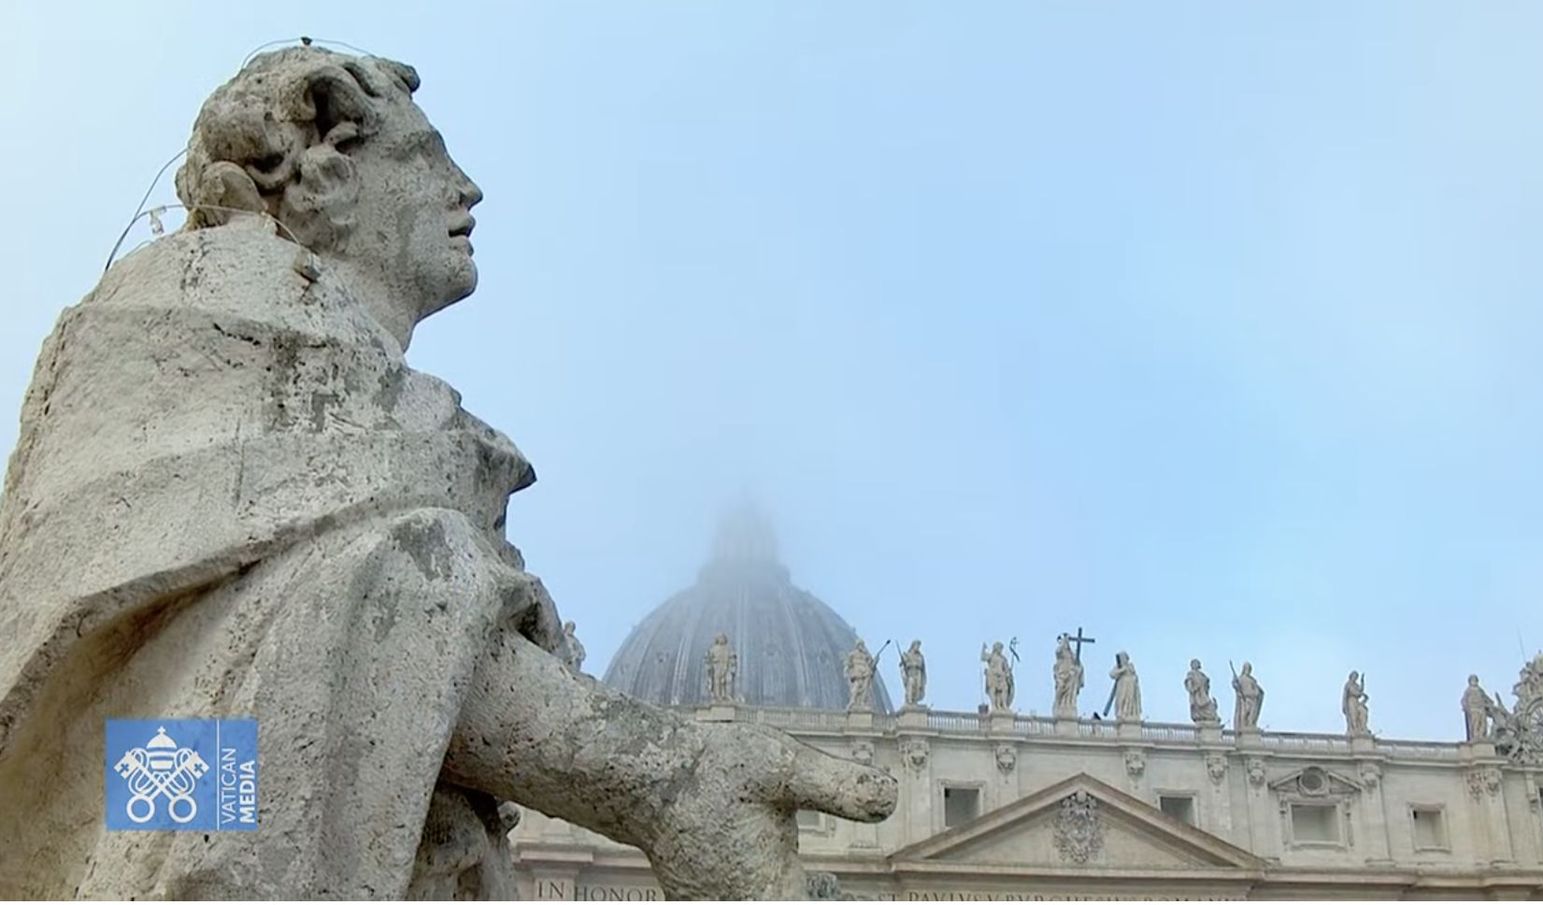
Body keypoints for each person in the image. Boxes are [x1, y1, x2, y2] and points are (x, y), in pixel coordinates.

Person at [0, 47, 891, 900]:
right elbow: (318, 634)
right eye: (427, 157)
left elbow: (367, 674)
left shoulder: (356, 396)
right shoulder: (192, 322)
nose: (466, 189)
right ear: (329, 167)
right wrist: (660, 775)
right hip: (143, 784)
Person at [1053, 636, 1084, 718]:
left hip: (1070, 674)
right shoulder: (1060, 652)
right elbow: (1058, 651)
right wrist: (1064, 643)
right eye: (1065, 642)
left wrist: (1078, 668)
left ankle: (1069, 705)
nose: (1066, 644)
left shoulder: (1071, 654)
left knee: (1071, 690)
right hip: (1062, 673)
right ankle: (1057, 703)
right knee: (1060, 687)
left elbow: (1078, 663)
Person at [1110, 652, 1142, 721]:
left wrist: (1135, 679)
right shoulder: (1118, 666)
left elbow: (1135, 675)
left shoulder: (1131, 666)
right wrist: (1122, 670)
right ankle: (1121, 713)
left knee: (1130, 699)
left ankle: (1128, 714)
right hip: (1122, 684)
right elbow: (1112, 674)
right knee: (1121, 699)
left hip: (1131, 684)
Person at [1185, 659, 1219, 723]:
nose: (1196, 665)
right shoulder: (1190, 673)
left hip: (1203, 694)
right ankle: (1205, 718)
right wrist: (1194, 688)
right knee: (1202, 706)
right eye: (1195, 663)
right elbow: (1189, 685)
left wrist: (1206, 682)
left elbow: (1207, 684)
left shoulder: (1202, 674)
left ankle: (1211, 717)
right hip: (1197, 695)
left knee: (1209, 705)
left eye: (1197, 663)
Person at [1233, 662, 1264, 731]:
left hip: (1253, 698)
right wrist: (1234, 682)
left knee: (1252, 713)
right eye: (1246, 668)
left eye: (1249, 669)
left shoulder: (1252, 680)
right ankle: (1244, 726)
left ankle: (1250, 725)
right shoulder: (1240, 679)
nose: (1248, 670)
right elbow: (1236, 686)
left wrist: (1257, 693)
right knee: (1245, 713)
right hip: (1245, 699)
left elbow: (1258, 690)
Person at [1461, 674, 1492, 741]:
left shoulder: (1480, 690)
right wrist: (1465, 707)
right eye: (1472, 680)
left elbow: (1485, 697)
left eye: (1475, 680)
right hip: (1473, 709)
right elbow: (1464, 700)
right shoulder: (1468, 690)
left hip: (1481, 708)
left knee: (1483, 723)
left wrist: (1490, 702)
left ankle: (1482, 736)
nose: (1474, 681)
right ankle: (1475, 737)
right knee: (1475, 723)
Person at [900, 640, 926, 707]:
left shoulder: (920, 656)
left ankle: (914, 702)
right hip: (911, 673)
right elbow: (902, 666)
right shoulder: (907, 655)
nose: (918, 647)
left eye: (919, 646)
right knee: (911, 685)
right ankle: (910, 701)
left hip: (918, 674)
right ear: (913, 646)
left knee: (917, 688)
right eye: (917, 646)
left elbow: (923, 668)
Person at [1343, 671, 1370, 735]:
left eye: (1356, 677)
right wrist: (1361, 694)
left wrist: (1362, 682)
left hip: (1356, 701)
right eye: (1354, 676)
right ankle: (1354, 730)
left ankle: (1362, 728)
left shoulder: (1356, 685)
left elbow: (1360, 689)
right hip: (1351, 701)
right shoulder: (1348, 684)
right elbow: (1353, 692)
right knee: (1353, 715)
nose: (1355, 678)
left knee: (1363, 711)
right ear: (1351, 676)